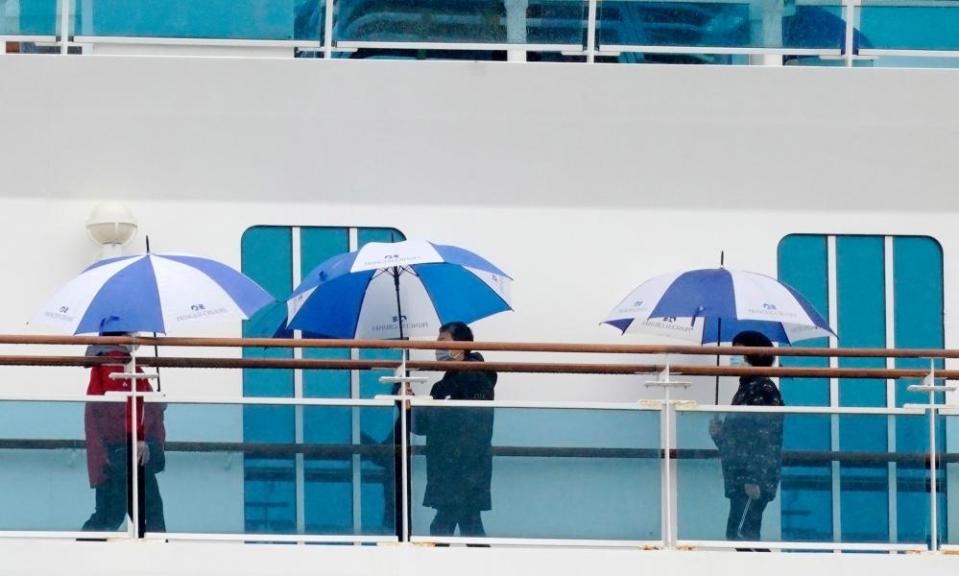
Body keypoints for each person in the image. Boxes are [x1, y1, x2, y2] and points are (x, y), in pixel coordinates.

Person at [412, 321, 497, 539]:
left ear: (460, 345)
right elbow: (422, 426)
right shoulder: (441, 386)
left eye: (443, 341)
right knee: (467, 527)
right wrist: (407, 399)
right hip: (448, 469)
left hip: (465, 469)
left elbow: (462, 420)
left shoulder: (477, 375)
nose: (437, 348)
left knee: (446, 528)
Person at [82, 333, 166, 535]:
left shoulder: (120, 366)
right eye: (132, 333)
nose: (136, 337)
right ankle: (158, 556)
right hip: (123, 451)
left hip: (115, 452)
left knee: (111, 511)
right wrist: (140, 437)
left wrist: (156, 402)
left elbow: (132, 407)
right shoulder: (115, 366)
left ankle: (83, 551)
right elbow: (121, 410)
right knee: (146, 512)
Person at [708, 330, 784, 548]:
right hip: (739, 476)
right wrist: (719, 434)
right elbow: (737, 440)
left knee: (742, 535)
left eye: (737, 351)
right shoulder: (746, 388)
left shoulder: (763, 389)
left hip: (751, 478)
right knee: (740, 535)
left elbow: (765, 437)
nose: (733, 357)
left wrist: (753, 477)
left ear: (753, 355)